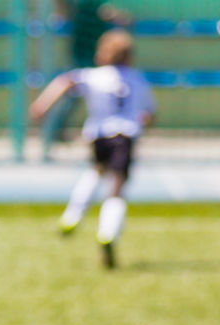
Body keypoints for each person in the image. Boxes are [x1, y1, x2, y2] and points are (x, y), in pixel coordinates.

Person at [28, 30, 155, 268]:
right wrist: (143, 120)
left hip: (99, 135)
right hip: (125, 136)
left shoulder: (94, 76)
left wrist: (43, 105)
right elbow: (150, 113)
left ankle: (72, 216)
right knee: (116, 188)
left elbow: (65, 81)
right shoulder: (137, 79)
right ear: (129, 56)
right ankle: (108, 233)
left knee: (96, 170)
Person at [37, 0, 127, 157]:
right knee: (71, 95)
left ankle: (106, 133)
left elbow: (119, 17)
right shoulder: (81, 5)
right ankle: (54, 132)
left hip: (97, 58)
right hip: (82, 55)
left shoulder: (98, 6)